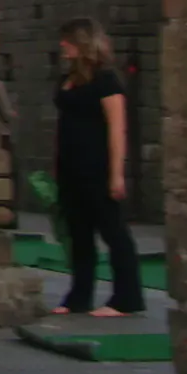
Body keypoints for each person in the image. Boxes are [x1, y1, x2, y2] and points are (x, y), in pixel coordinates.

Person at [53, 18, 145, 316]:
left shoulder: (107, 80)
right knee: (79, 233)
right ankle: (79, 296)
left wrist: (117, 173)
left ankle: (126, 298)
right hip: (70, 166)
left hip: (98, 166)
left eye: (67, 41)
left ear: (81, 43)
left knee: (113, 232)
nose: (62, 45)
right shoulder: (69, 78)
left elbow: (117, 128)